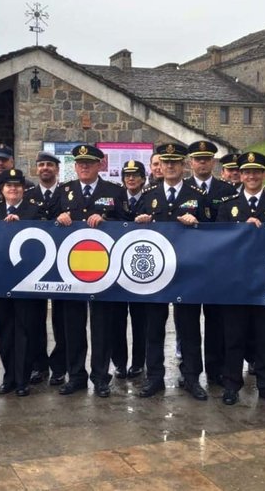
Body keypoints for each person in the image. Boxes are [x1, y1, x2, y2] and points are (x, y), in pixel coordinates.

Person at [49, 144, 130, 397]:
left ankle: (101, 377)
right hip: (72, 271)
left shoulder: (115, 191)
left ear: (100, 165)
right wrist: (58, 219)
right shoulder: (64, 191)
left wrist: (108, 222)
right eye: (80, 162)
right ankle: (76, 376)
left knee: (102, 326)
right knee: (72, 326)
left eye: (90, 162)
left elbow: (127, 223)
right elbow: (45, 220)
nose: (84, 166)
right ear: (75, 166)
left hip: (103, 270)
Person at [134, 142, 213, 400]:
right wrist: (140, 223)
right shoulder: (148, 195)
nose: (169, 166)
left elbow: (213, 232)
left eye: (175, 162)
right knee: (153, 327)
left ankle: (191, 377)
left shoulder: (197, 195)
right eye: (165, 162)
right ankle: (154, 377)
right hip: (156, 273)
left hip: (187, 273)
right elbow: (132, 233)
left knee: (189, 328)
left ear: (184, 165)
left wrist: (198, 223)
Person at [216, 151, 265, 407]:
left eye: (256, 171)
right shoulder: (228, 206)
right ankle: (231, 385)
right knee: (233, 336)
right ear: (240, 175)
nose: (251, 176)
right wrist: (240, 229)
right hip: (235, 286)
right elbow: (220, 247)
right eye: (246, 172)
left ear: (264, 175)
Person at [0, 168, 48, 396]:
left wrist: (22, 224)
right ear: (2, 190)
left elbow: (43, 240)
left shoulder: (35, 211)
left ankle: (22, 379)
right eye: (9, 186)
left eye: (17, 186)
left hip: (25, 281)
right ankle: (8, 376)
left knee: (24, 330)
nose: (13, 189)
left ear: (23, 189)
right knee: (4, 329)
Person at [185, 140, 237, 388]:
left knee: (216, 323)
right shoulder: (182, 189)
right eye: (198, 159)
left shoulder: (226, 190)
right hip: (188, 268)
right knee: (188, 324)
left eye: (207, 158)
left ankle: (216, 371)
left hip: (218, 269)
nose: (202, 162)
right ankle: (190, 373)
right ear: (191, 162)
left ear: (214, 162)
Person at [24, 151, 61, 385]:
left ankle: (59, 366)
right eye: (41, 165)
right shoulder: (28, 195)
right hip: (34, 266)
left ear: (57, 168)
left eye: (49, 164)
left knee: (62, 320)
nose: (45, 168)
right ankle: (39, 365)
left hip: (62, 266)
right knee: (34, 319)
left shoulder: (68, 193)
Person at [112, 160, 148, 380]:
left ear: (143, 178)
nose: (131, 179)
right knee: (117, 320)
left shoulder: (150, 198)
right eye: (127, 175)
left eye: (135, 175)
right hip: (117, 269)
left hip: (140, 267)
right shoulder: (114, 198)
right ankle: (119, 363)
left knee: (140, 320)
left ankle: (138, 362)